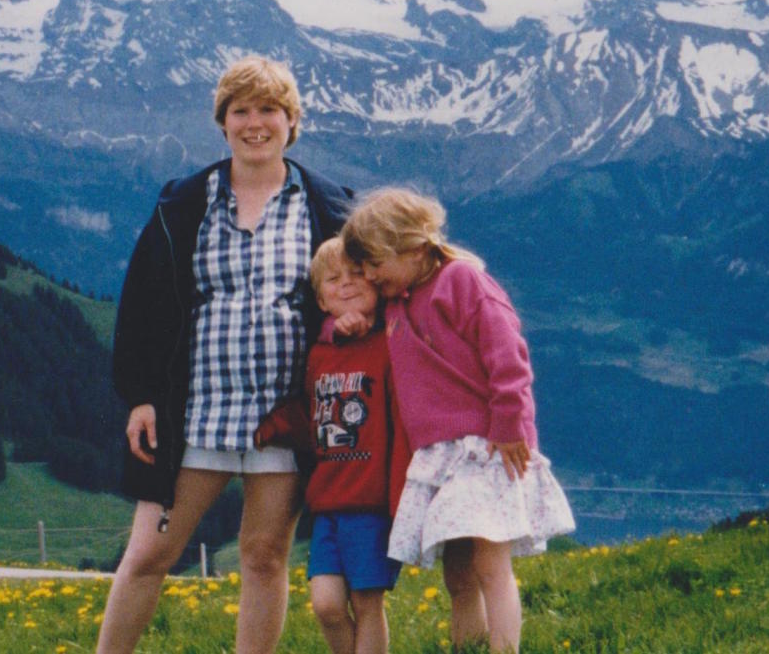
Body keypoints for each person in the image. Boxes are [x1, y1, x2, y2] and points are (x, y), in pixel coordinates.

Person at [96, 56, 352, 654]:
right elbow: (143, 305)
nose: (255, 123)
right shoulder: (184, 204)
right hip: (196, 411)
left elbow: (357, 296)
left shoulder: (329, 207)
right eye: (241, 110)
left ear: (292, 121)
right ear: (223, 122)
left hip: (285, 415)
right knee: (150, 554)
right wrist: (139, 396)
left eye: (270, 110)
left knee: (265, 557)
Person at [339, 188, 575, 654]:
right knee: (458, 570)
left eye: (373, 262)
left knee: (491, 564)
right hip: (441, 455)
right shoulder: (399, 299)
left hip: (485, 448)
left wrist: (509, 426)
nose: (367, 274)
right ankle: (467, 646)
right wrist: (339, 327)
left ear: (412, 247)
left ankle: (503, 649)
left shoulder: (462, 282)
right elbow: (353, 321)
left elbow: (508, 359)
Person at [254, 237, 410, 654]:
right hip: (327, 502)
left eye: (358, 274)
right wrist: (278, 425)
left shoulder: (388, 342)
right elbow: (314, 419)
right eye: (333, 278)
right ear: (320, 300)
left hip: (371, 503)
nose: (347, 283)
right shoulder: (320, 355)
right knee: (325, 605)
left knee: (367, 603)